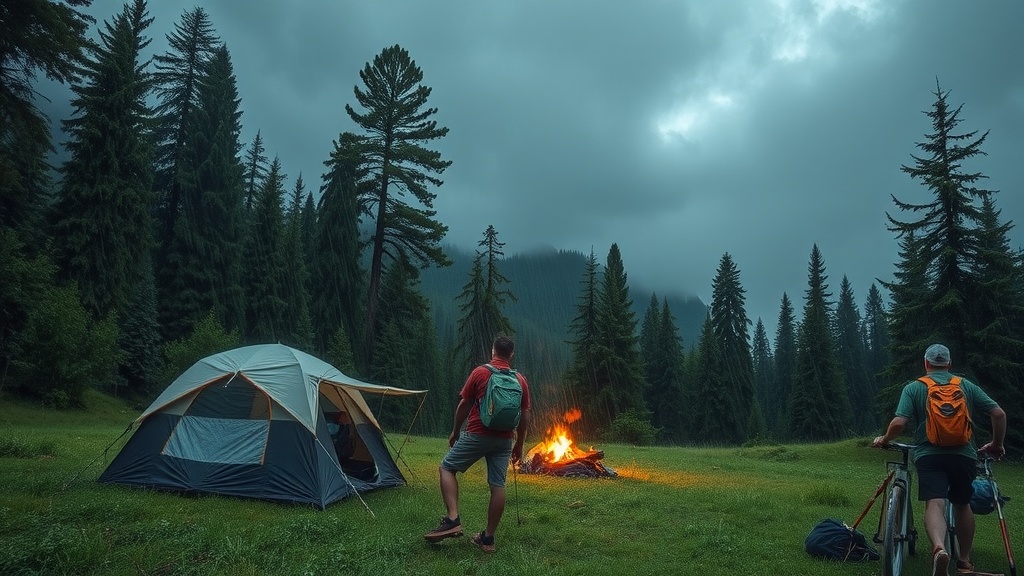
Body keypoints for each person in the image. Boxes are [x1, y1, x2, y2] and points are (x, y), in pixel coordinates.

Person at [872, 343, 1007, 576]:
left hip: (929, 455)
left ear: (926, 364)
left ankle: (939, 548)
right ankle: (964, 562)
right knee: (962, 503)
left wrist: (884, 439)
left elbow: (898, 423)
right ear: (949, 364)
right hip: (964, 455)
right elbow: (998, 413)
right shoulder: (965, 386)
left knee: (935, 502)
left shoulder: (914, 388)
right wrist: (996, 444)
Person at [424, 335, 532, 553]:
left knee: (447, 467)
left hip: (477, 433)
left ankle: (453, 518)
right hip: (504, 440)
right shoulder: (520, 379)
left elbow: (464, 404)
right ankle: (488, 539)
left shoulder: (480, 372)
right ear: (511, 355)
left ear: (493, 351)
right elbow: (525, 413)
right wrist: (519, 444)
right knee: (497, 485)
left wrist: (455, 431)